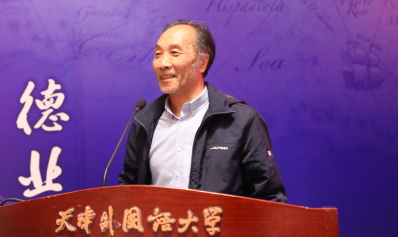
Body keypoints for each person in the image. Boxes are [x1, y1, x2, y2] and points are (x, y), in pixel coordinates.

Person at [118, 20, 286, 202]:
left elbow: (269, 198)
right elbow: (129, 193)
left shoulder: (243, 121)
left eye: (174, 53)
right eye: (158, 54)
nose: (163, 63)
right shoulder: (144, 122)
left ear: (202, 62)